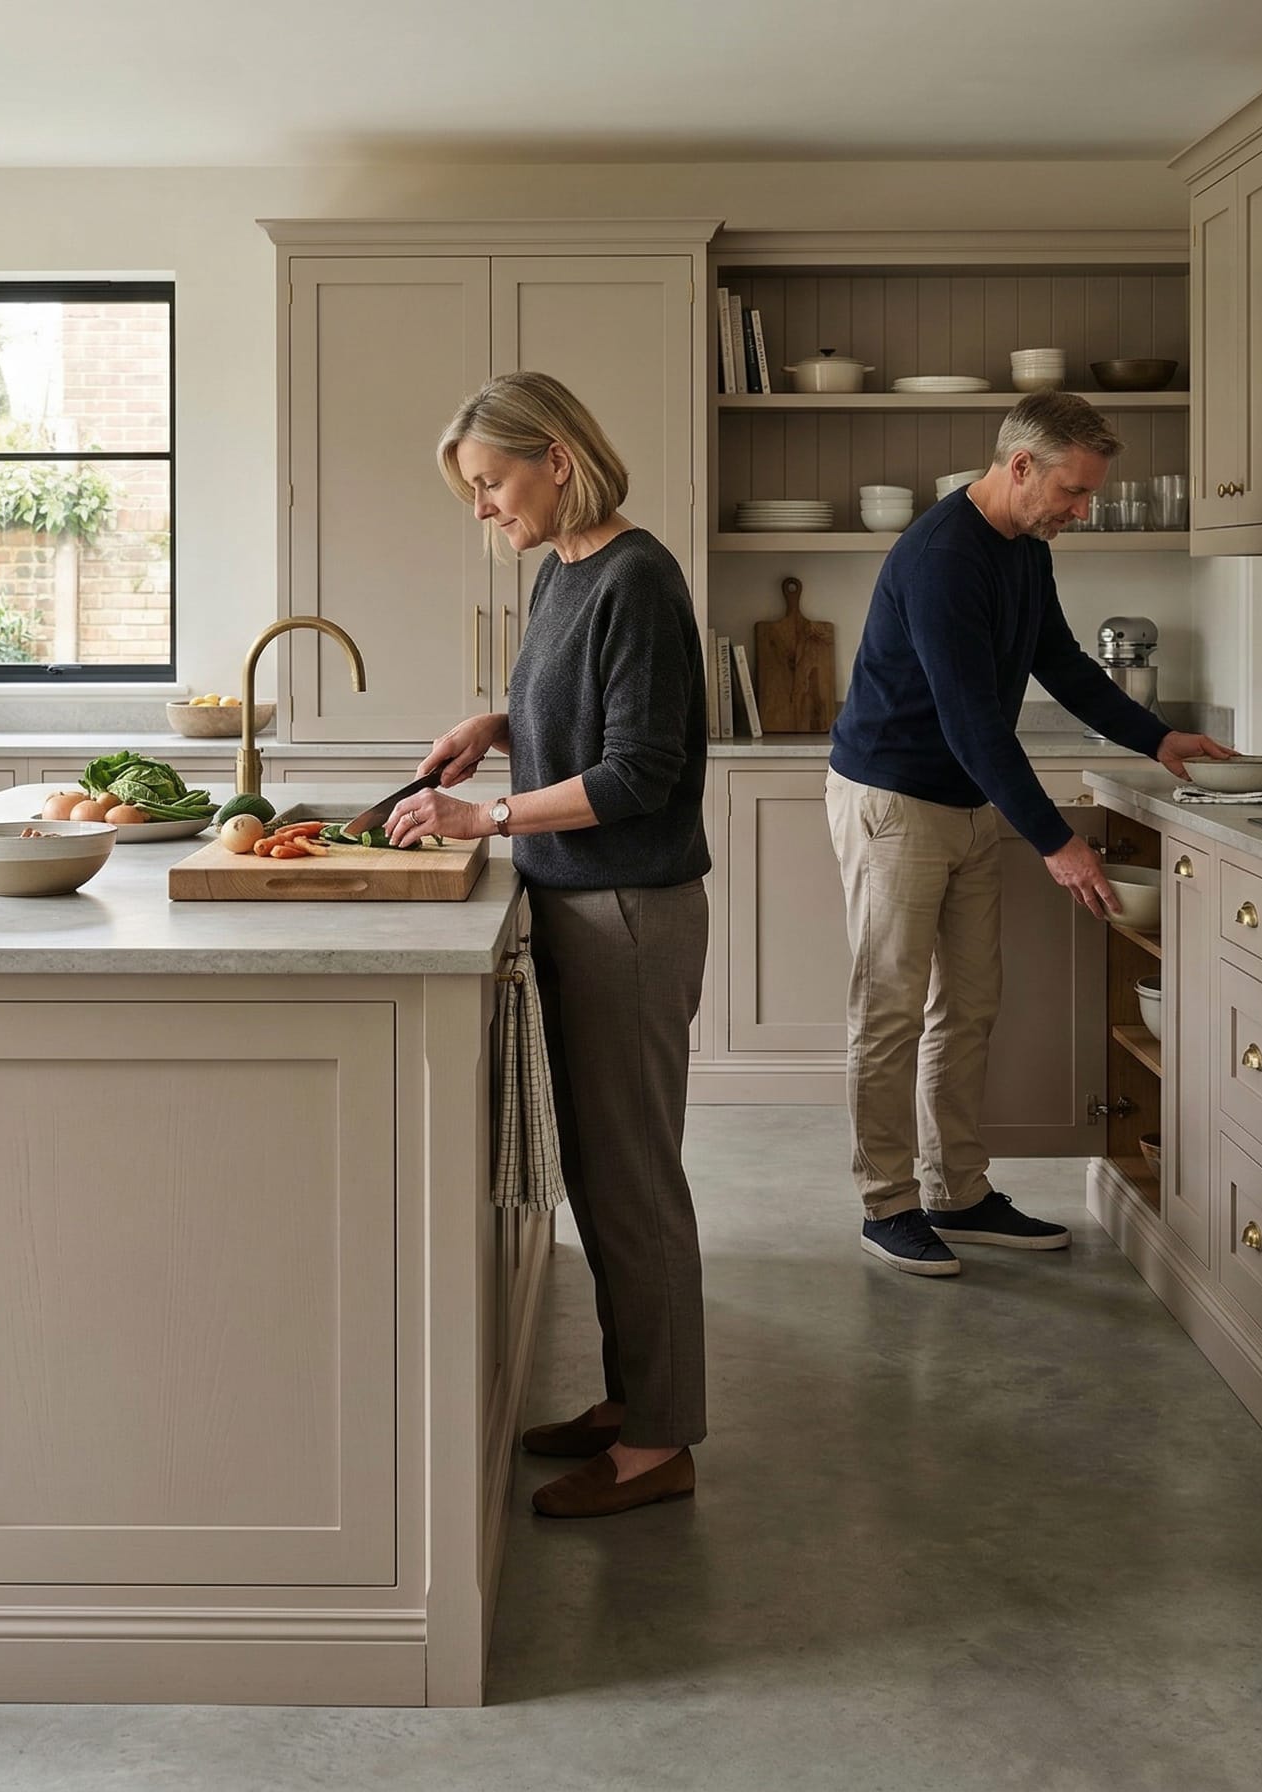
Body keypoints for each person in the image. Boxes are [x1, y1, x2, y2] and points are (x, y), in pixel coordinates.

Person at [387, 371, 710, 1519]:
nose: (482, 507)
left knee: (635, 1184)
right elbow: (583, 715)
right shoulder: (561, 573)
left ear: (556, 459)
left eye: (490, 482)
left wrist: (489, 817)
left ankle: (663, 1441)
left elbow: (640, 771)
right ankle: (635, 1401)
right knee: (600, 1174)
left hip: (629, 908)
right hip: (581, 900)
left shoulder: (640, 576)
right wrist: (497, 724)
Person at [825, 391, 1234, 1279]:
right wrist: (1055, 839)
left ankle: (957, 1192)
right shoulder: (941, 557)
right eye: (1074, 492)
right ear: (1020, 468)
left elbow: (1063, 665)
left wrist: (1155, 737)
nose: (1081, 511)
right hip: (894, 803)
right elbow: (973, 721)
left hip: (968, 802)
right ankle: (886, 1205)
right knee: (890, 1009)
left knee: (968, 1006)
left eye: (1087, 496)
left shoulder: (1023, 551)